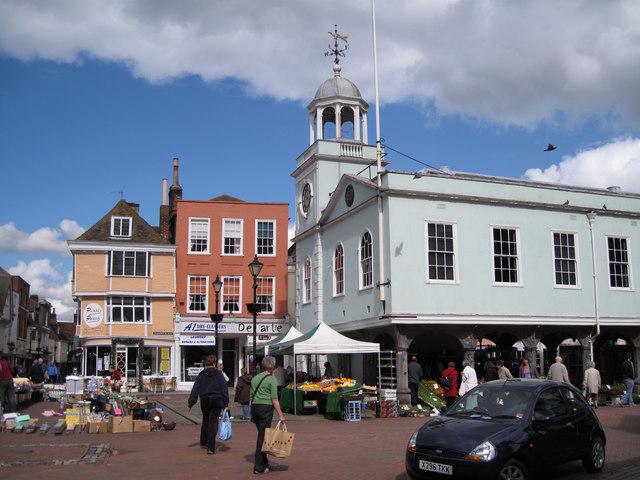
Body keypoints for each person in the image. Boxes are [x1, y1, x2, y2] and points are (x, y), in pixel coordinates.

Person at [251, 355, 286, 474]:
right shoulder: (271, 379)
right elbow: (274, 399)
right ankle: (258, 467)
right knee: (262, 438)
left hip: (255, 408)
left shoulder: (255, 378)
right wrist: (281, 415)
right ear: (272, 367)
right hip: (265, 408)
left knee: (264, 436)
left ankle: (265, 462)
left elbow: (252, 394)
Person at [188, 355, 229, 454]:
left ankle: (204, 441)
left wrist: (191, 402)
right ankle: (211, 447)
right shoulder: (219, 374)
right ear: (214, 363)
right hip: (217, 399)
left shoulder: (201, 375)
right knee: (213, 422)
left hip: (205, 400)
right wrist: (226, 403)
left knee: (206, 419)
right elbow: (224, 389)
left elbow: (195, 389)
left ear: (205, 364)